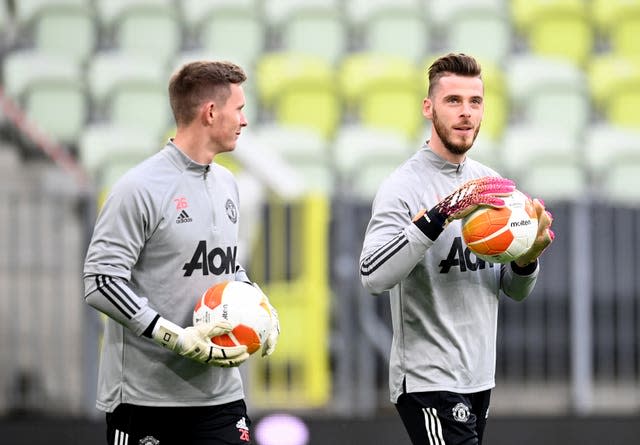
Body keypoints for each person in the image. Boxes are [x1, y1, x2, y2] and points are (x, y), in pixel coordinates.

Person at [359, 53, 554, 445]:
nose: (466, 113)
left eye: (474, 102)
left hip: (479, 376)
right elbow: (372, 276)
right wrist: (440, 215)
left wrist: (527, 258)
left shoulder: (492, 184)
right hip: (428, 380)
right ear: (428, 108)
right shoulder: (403, 186)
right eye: (453, 101)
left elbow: (512, 290)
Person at [83, 60, 279, 445]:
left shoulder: (228, 184)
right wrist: (169, 333)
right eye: (239, 109)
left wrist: (259, 305)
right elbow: (100, 281)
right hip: (145, 401)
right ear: (210, 112)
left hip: (220, 397)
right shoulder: (137, 188)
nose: (244, 120)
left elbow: (224, 265)